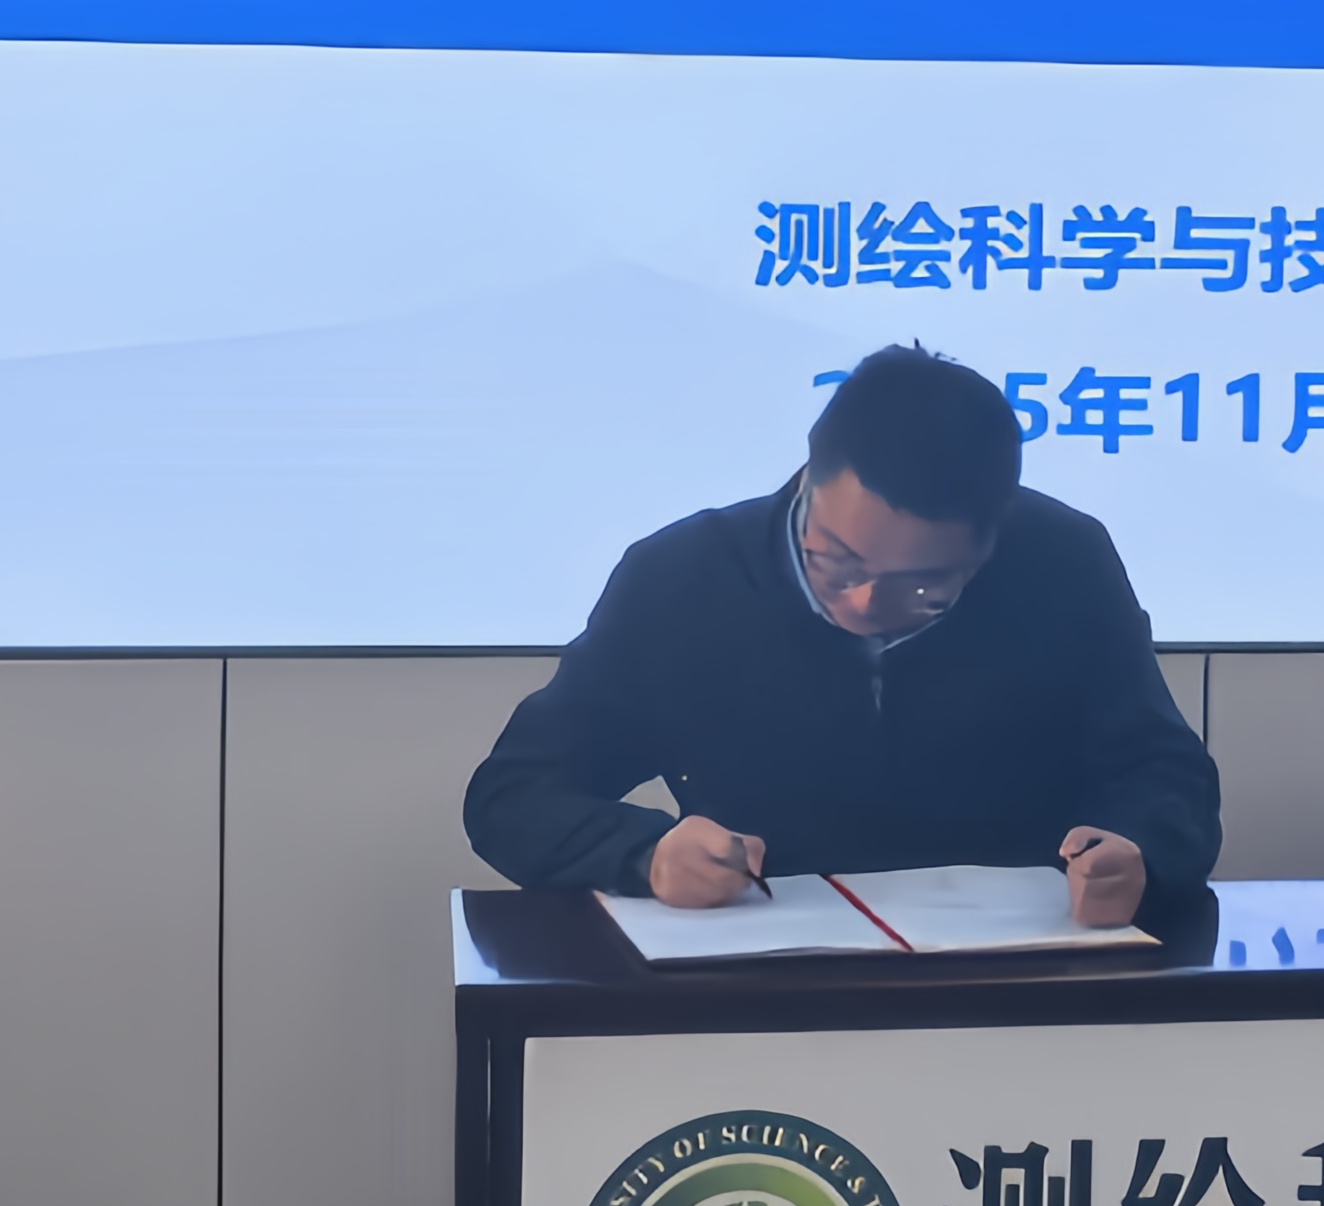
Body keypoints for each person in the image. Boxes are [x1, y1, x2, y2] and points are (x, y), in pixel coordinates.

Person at [466, 344, 1221, 924]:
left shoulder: (1063, 561)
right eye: (835, 561)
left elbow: (1166, 776)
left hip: (1017, 980)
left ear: (991, 541)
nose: (863, 603)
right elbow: (514, 795)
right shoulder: (684, 577)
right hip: (756, 986)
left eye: (924, 584)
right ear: (808, 480)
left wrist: (1137, 851)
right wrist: (646, 854)